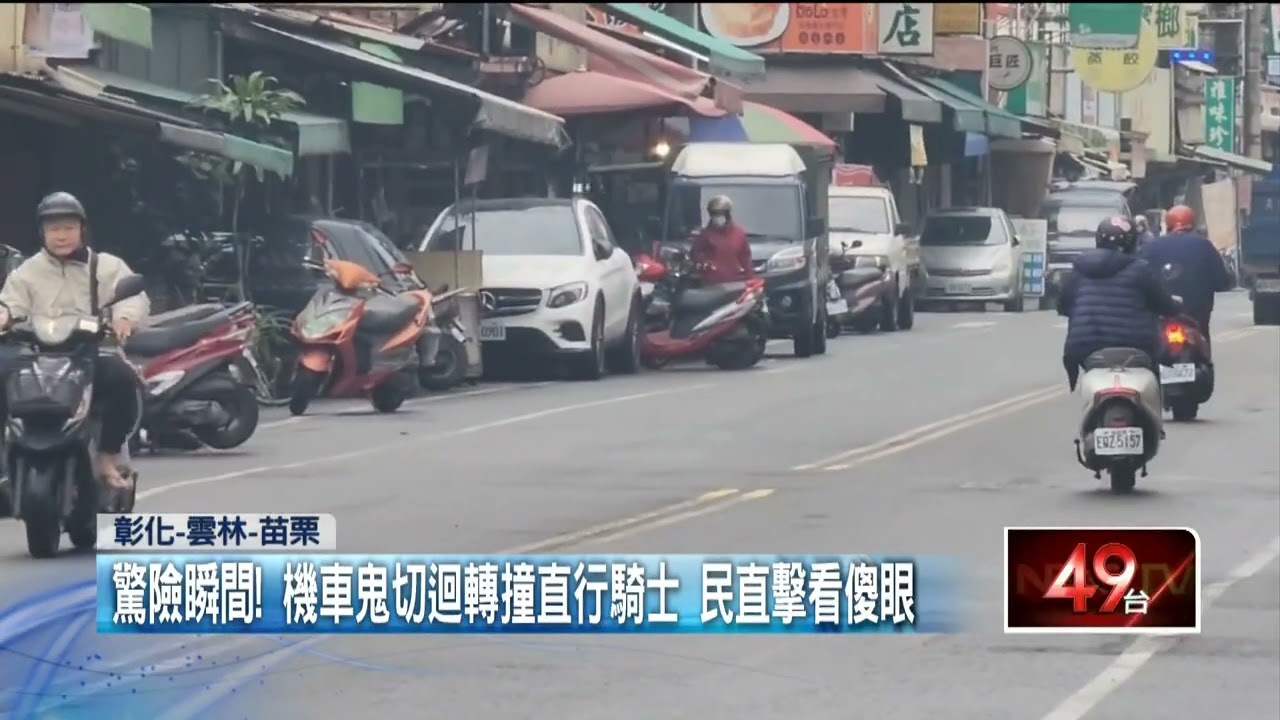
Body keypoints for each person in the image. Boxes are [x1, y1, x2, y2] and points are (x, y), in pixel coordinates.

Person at [0, 192, 148, 490]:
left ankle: (107, 455)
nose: (62, 236)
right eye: (54, 229)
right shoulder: (27, 272)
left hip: (90, 352)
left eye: (68, 228)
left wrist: (125, 319)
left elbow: (133, 297)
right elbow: (9, 304)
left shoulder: (105, 266)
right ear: (42, 233)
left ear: (82, 229)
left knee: (121, 377)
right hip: (38, 356)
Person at [1056, 216, 1182, 391]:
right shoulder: (1140, 269)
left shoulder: (1079, 269)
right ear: (1132, 242)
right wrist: (1175, 306)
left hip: (1086, 350)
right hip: (1137, 347)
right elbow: (1164, 304)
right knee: (1155, 378)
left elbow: (1062, 305)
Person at [1138, 204, 1231, 348]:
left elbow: (1140, 278)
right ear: (1192, 224)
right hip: (1196, 316)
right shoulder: (1204, 245)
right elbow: (1221, 281)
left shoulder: (1152, 247)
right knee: (1203, 347)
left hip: (1161, 314)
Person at [689, 195, 756, 284]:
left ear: (727, 214)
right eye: (714, 214)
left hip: (732, 281)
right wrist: (706, 263)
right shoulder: (706, 234)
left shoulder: (738, 233)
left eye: (720, 214)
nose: (716, 218)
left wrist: (751, 278)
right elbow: (695, 253)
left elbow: (745, 257)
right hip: (711, 283)